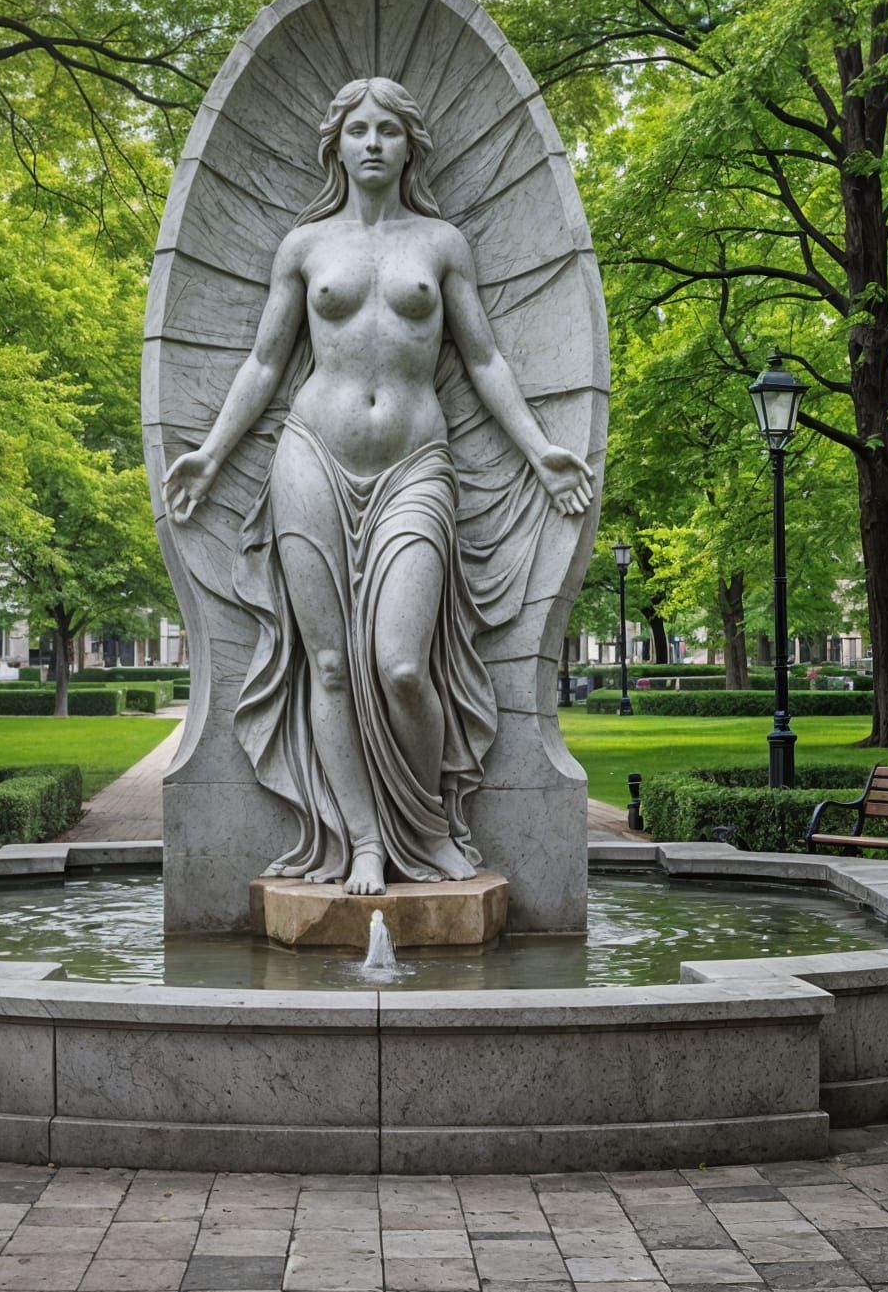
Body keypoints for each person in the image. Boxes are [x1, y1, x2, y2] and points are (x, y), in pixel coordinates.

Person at [163, 77, 592, 896]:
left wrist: (539, 451)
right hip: (310, 457)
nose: (370, 142)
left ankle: (425, 828)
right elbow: (264, 363)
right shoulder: (304, 247)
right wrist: (213, 454)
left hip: (415, 466)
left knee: (400, 665)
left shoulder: (440, 243)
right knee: (327, 664)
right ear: (335, 143)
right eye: (355, 128)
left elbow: (485, 359)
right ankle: (362, 841)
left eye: (386, 130)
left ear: (408, 145)